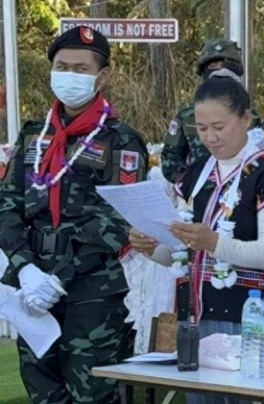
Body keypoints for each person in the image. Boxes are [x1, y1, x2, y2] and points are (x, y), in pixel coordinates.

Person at [129, 68, 264, 404]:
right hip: (194, 318)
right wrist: (151, 248)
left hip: (250, 320)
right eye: (202, 128)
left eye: (219, 127)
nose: (210, 137)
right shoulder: (198, 172)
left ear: (246, 119)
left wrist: (214, 243)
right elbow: (182, 254)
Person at [0, 26, 148, 403]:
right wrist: (26, 270)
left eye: (81, 69)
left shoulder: (121, 140)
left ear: (103, 75)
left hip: (91, 291)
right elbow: (7, 205)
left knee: (95, 395)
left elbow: (118, 218)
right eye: (62, 67)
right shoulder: (33, 137)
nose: (69, 75)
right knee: (44, 392)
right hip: (32, 293)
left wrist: (58, 276)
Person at [161, 39, 260, 184]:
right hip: (198, 188)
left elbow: (258, 157)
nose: (219, 71)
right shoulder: (187, 115)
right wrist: (186, 181)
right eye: (212, 66)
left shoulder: (248, 116)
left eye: (224, 66)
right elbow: (170, 157)